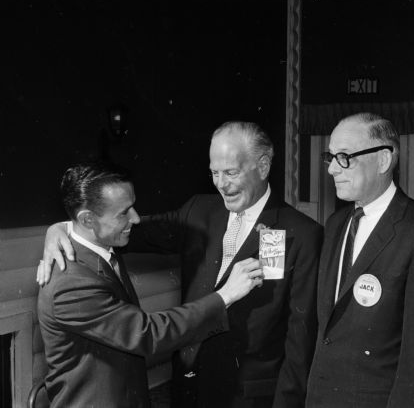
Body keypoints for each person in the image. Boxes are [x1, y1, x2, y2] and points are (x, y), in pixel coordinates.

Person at [38, 121, 323, 408]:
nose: (221, 184)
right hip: (190, 385)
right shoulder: (199, 210)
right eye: (214, 172)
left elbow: (301, 339)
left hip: (249, 395)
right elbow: (119, 229)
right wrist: (62, 227)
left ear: (262, 166)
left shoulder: (302, 234)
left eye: (231, 172)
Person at [37, 162, 263, 408]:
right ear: (88, 220)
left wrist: (60, 227)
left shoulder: (102, 247)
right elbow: (149, 334)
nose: (135, 218)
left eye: (133, 206)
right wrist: (226, 295)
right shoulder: (71, 284)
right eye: (124, 213)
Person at [305, 113, 414, 408]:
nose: (333, 169)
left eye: (344, 157)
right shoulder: (336, 224)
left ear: (384, 160)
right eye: (330, 157)